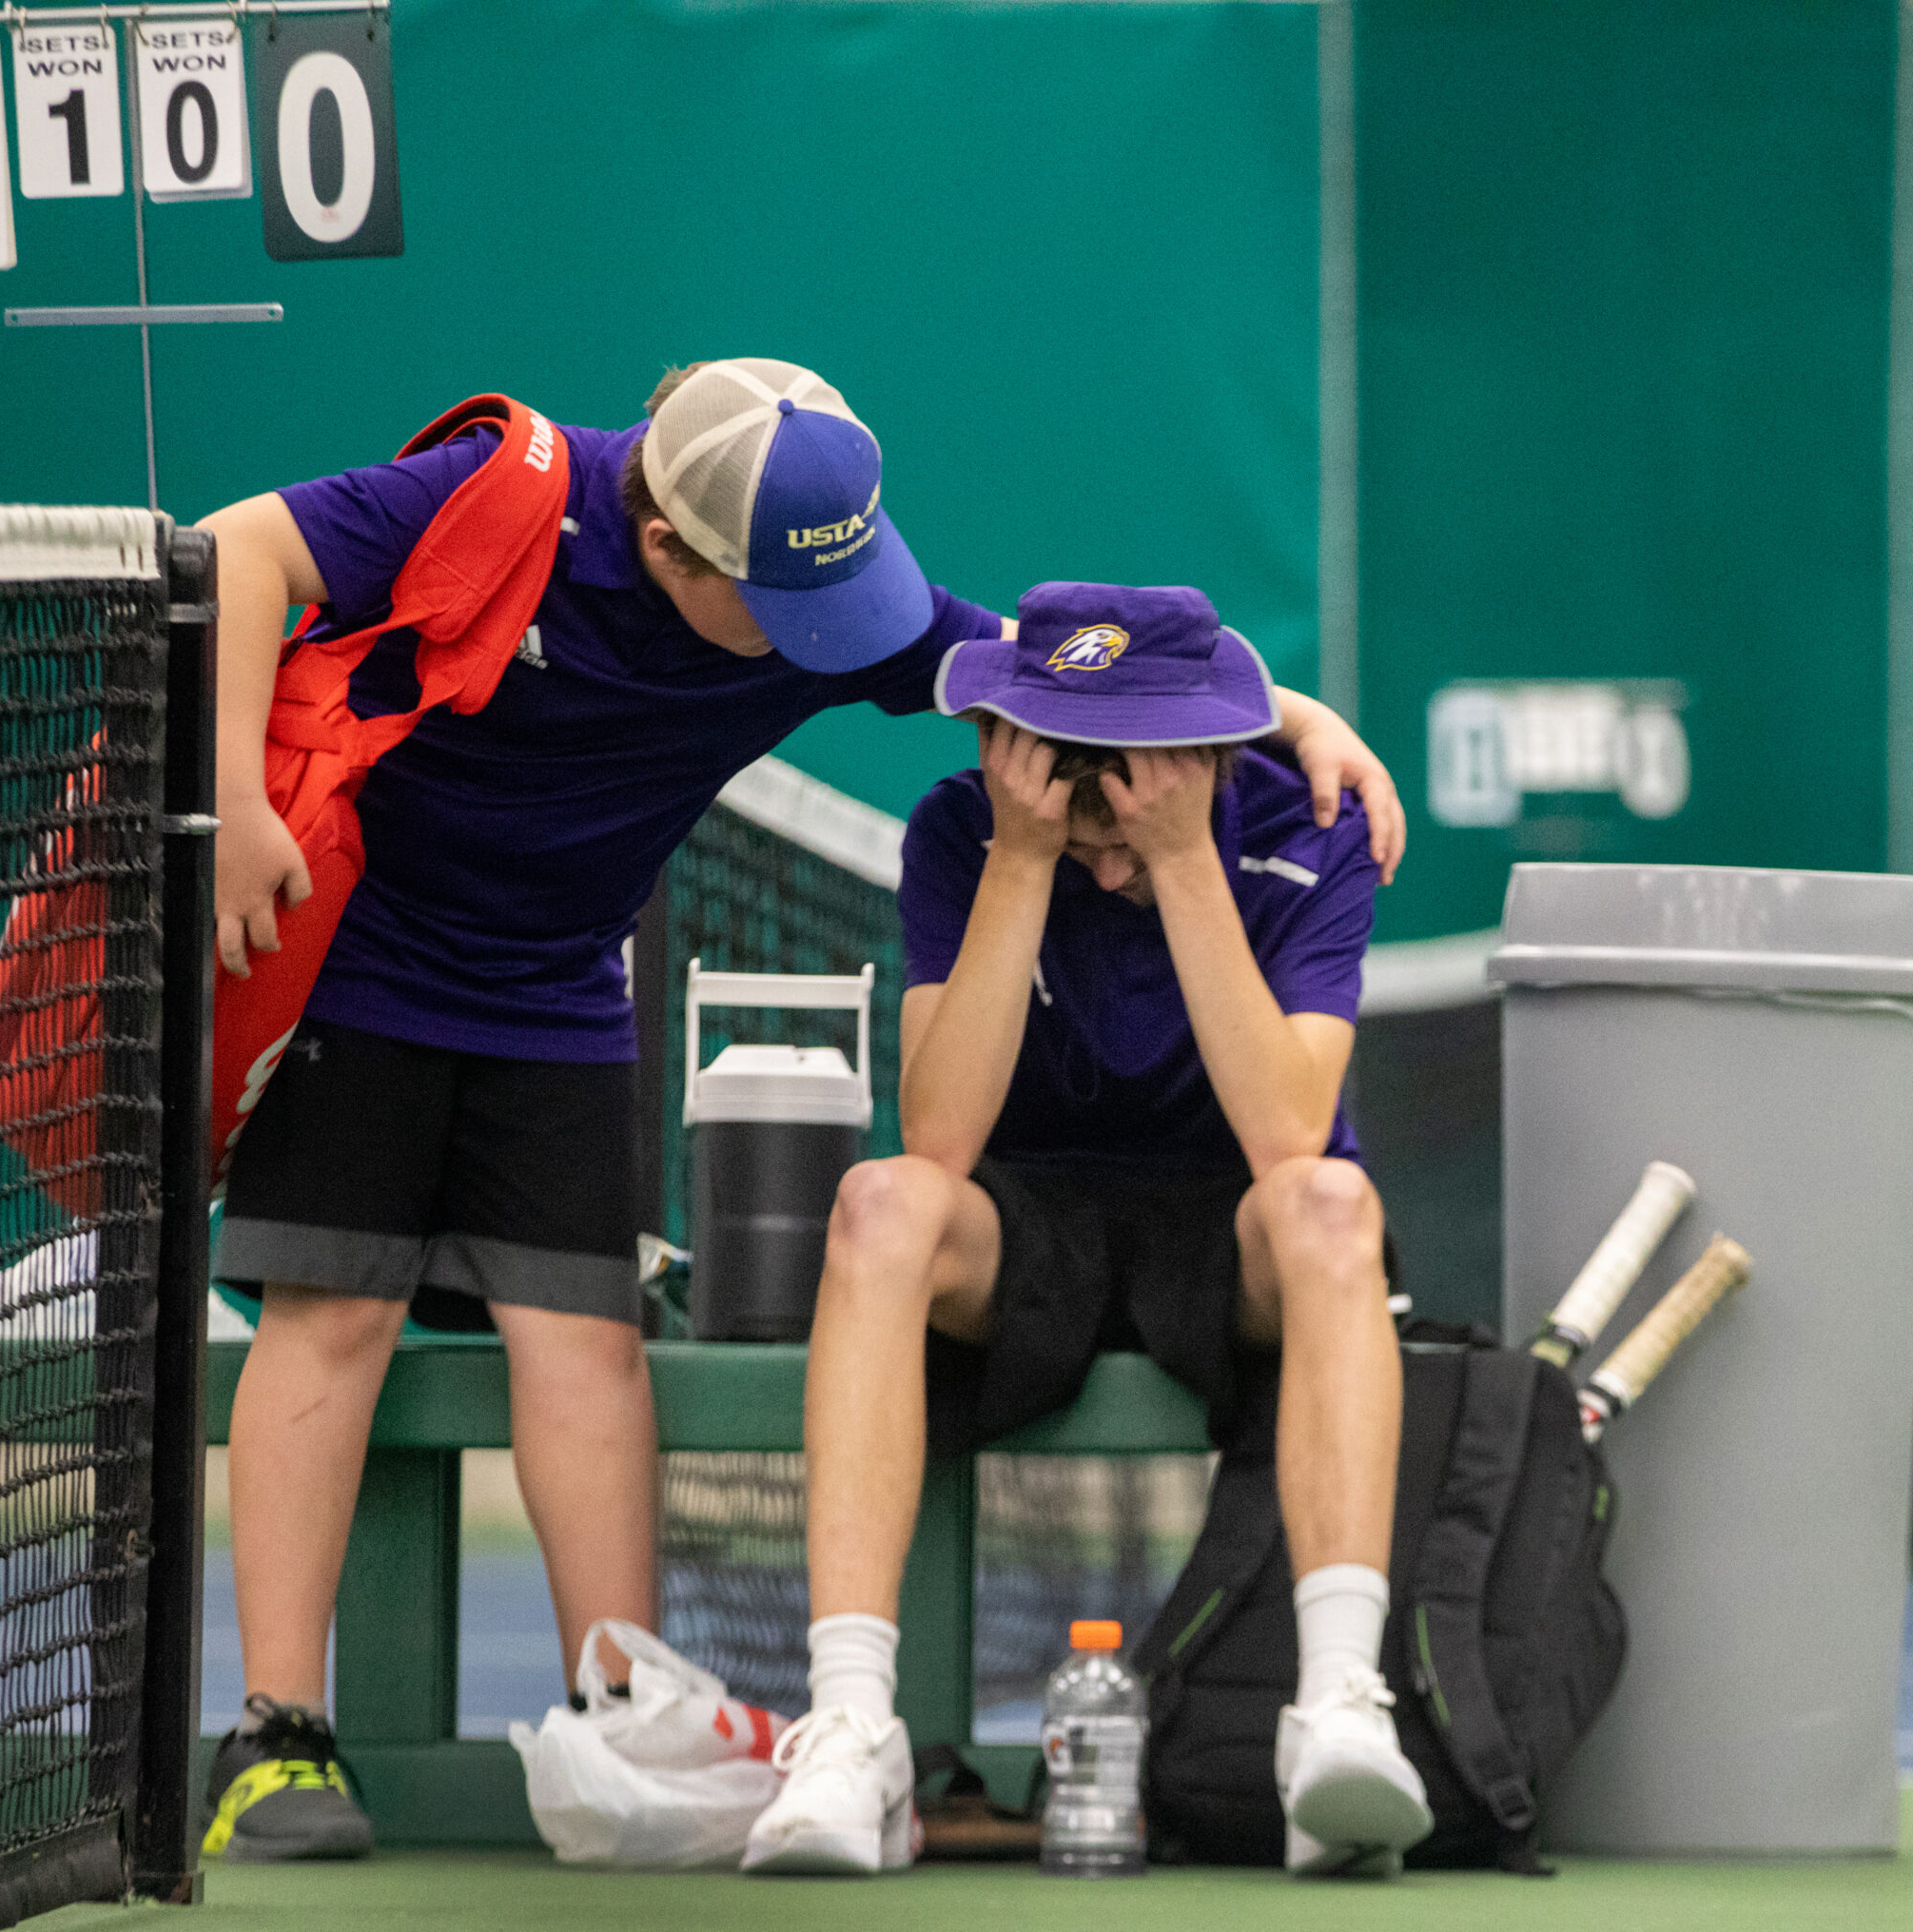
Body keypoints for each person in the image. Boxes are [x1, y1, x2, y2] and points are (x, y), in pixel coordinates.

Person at [194, 365, 1407, 1862]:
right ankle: (276, 1734)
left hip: (562, 988)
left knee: (585, 1338)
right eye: (779, 603)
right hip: (364, 947)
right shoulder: (501, 500)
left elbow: (1067, 670)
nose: (832, 641)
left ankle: (617, 1714)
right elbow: (239, 549)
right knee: (336, 1314)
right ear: (670, 554)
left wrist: (1290, 716)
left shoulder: (827, 599)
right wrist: (234, 809)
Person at [742, 582, 1428, 1879]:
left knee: (1334, 1203)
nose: (1105, 857)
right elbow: (939, 1135)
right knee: (881, 1202)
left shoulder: (1313, 831)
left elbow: (1290, 1132)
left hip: (1234, 1232)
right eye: (1086, 815)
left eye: (1136, 816)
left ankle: (1339, 1714)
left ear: (1205, 763)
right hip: (1028, 1227)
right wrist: (1022, 856)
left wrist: (1180, 865)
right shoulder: (967, 829)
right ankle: (849, 1728)